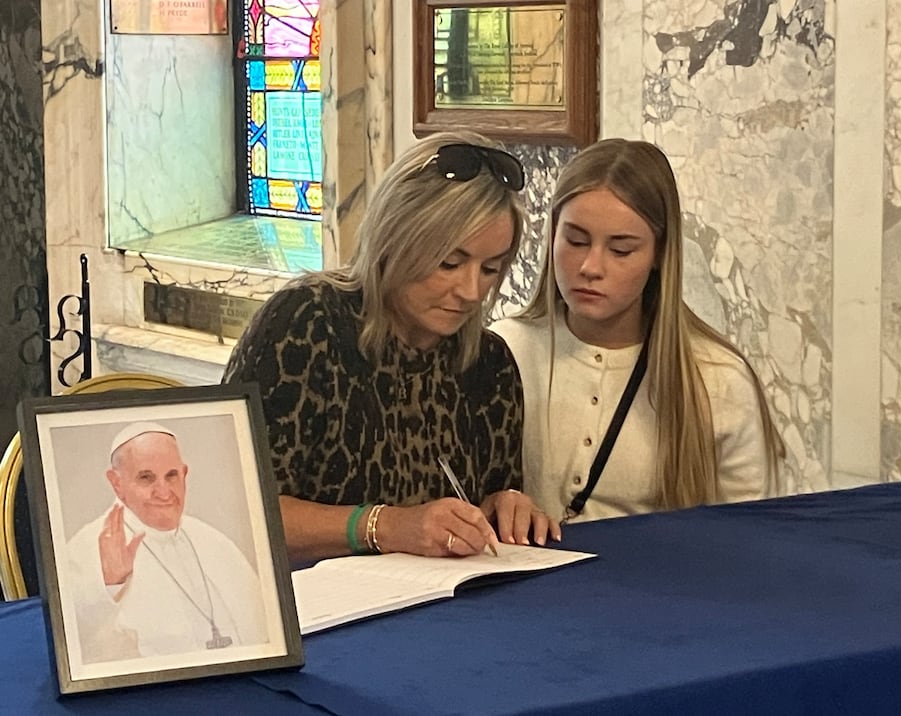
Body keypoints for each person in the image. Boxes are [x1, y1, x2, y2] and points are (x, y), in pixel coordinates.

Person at [223, 130, 559, 565]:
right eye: (450, 263)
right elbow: (236, 510)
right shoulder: (307, 324)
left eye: (491, 268)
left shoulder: (487, 364)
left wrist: (504, 505)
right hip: (316, 610)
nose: (472, 290)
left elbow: (485, 499)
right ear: (395, 240)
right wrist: (386, 526)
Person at [490, 139, 786, 522]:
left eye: (621, 250)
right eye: (576, 241)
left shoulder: (717, 379)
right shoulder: (506, 350)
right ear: (551, 236)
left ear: (660, 255)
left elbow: (752, 533)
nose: (590, 267)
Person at [65, 422, 267, 663]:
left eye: (171, 476)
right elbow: (70, 644)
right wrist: (109, 586)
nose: (163, 492)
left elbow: (263, 624)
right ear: (117, 483)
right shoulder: (85, 549)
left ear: (184, 474)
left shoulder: (213, 541)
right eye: (146, 478)